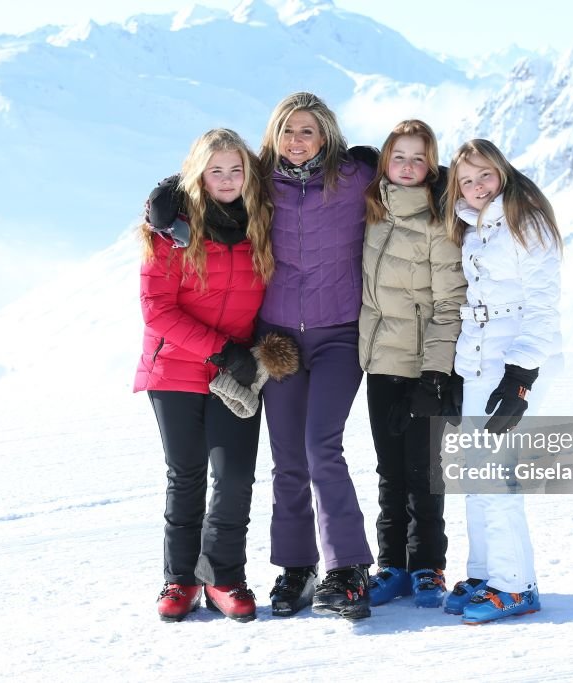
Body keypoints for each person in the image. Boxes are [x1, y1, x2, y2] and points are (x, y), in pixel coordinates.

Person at [134, 128, 274, 623]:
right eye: (216, 169)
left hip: (234, 376)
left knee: (234, 476)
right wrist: (222, 350)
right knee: (187, 475)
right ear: (198, 173)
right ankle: (180, 579)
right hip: (176, 369)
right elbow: (157, 311)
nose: (228, 179)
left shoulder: (261, 222)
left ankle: (223, 576)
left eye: (236, 169)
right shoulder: (171, 229)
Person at [256, 92, 377, 620]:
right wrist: (164, 195)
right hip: (278, 338)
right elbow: (207, 184)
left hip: (338, 335)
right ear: (274, 136)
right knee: (287, 458)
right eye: (288, 131)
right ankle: (296, 568)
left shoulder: (355, 177)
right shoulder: (259, 182)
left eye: (308, 131)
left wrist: (384, 155)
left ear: (326, 134)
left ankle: (348, 568)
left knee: (320, 446)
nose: (298, 141)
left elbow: (420, 174)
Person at [441, 139, 562, 625]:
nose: (476, 187)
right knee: (474, 473)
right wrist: (460, 369)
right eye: (466, 180)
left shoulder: (525, 223)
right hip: (479, 360)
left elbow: (541, 305)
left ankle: (516, 585)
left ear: (503, 173)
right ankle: (485, 573)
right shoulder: (474, 230)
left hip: (514, 359)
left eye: (484, 175)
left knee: (494, 473)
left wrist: (521, 376)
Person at [358, 120, 466, 609]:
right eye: (398, 157)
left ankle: (427, 567)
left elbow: (450, 306)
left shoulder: (439, 224)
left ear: (431, 166)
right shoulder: (371, 210)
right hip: (381, 362)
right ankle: (392, 566)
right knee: (389, 471)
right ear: (384, 162)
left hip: (424, 367)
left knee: (425, 472)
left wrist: (435, 375)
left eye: (417, 158)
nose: (407, 167)